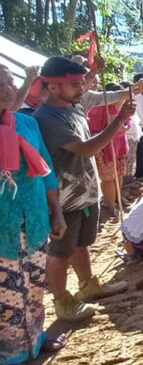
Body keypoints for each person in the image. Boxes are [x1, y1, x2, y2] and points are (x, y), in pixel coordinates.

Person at [33, 57, 130, 322]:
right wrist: (119, 119)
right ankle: (62, 301)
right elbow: (86, 148)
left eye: (81, 83)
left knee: (80, 242)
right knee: (60, 250)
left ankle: (88, 284)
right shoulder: (47, 119)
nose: (81, 89)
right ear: (53, 87)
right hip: (63, 196)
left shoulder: (73, 108)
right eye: (75, 84)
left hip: (85, 189)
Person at [0, 66, 68, 363]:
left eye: (10, 82)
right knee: (7, 295)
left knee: (36, 283)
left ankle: (36, 339)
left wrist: (57, 212)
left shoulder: (28, 124)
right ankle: (11, 353)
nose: (7, 88)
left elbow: (47, 172)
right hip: (4, 228)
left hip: (36, 219)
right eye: (0, 83)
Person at [87, 83, 130, 217]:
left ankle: (117, 198)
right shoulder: (98, 106)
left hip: (120, 144)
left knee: (119, 173)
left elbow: (127, 121)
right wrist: (119, 124)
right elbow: (111, 124)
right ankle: (110, 205)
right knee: (109, 177)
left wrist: (125, 125)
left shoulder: (121, 106)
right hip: (106, 145)